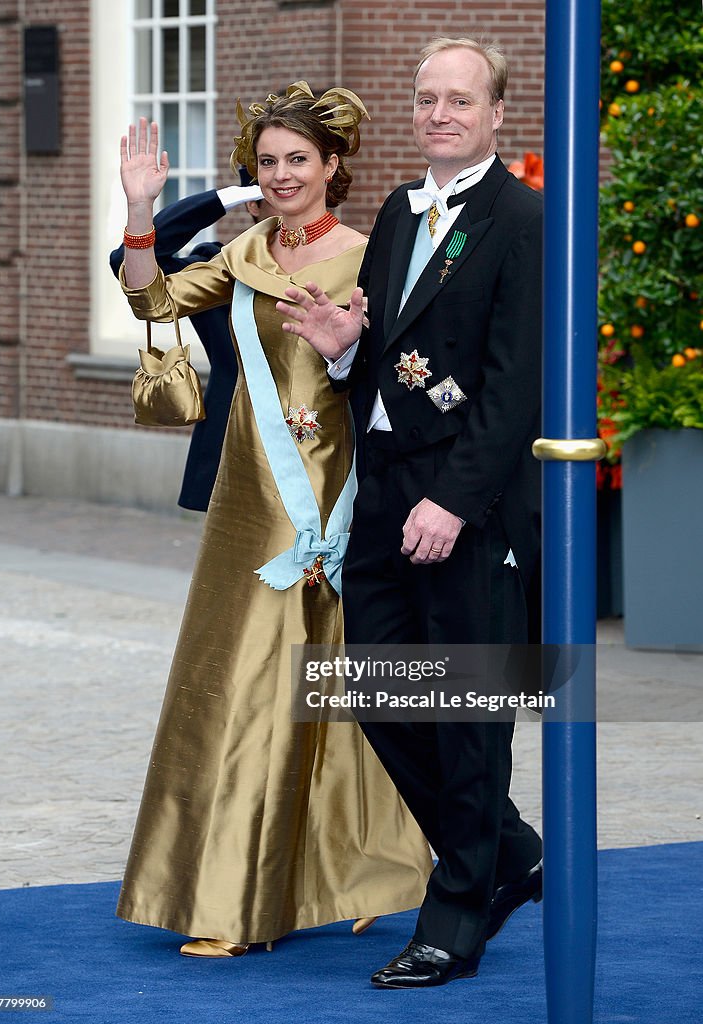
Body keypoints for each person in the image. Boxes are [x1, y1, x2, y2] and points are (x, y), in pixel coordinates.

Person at [115, 82, 433, 958]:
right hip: (244, 495)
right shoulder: (246, 247)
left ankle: (253, 901)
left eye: (299, 159)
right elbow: (153, 302)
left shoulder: (372, 256)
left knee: (299, 677)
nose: (283, 174)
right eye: (268, 161)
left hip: (327, 493)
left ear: (333, 168)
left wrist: (348, 354)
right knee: (252, 675)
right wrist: (142, 209)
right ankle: (346, 871)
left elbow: (403, 376)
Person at [276, 38, 543, 987]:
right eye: (426, 97)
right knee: (386, 698)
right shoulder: (396, 209)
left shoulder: (520, 220)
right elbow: (391, 350)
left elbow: (518, 393)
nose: (439, 112)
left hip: (464, 508)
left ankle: (458, 912)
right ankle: (508, 854)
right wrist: (348, 347)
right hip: (386, 492)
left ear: (496, 113)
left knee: (467, 714)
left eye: (459, 100)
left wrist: (454, 501)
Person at [109, 174, 274, 512]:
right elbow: (124, 262)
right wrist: (226, 198)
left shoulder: (340, 259)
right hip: (231, 435)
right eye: (273, 185)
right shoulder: (218, 266)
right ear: (254, 203)